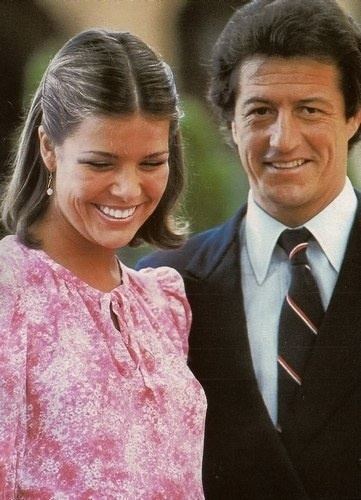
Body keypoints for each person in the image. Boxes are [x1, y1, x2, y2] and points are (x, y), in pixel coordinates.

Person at [137, 0, 361, 498]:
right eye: (260, 111)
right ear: (230, 124)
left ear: (353, 116)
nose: (284, 139)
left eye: (310, 109)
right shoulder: (161, 290)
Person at [0, 28, 206, 498]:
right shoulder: (9, 295)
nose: (129, 190)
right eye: (100, 163)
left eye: (151, 162)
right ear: (49, 147)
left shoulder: (165, 304)